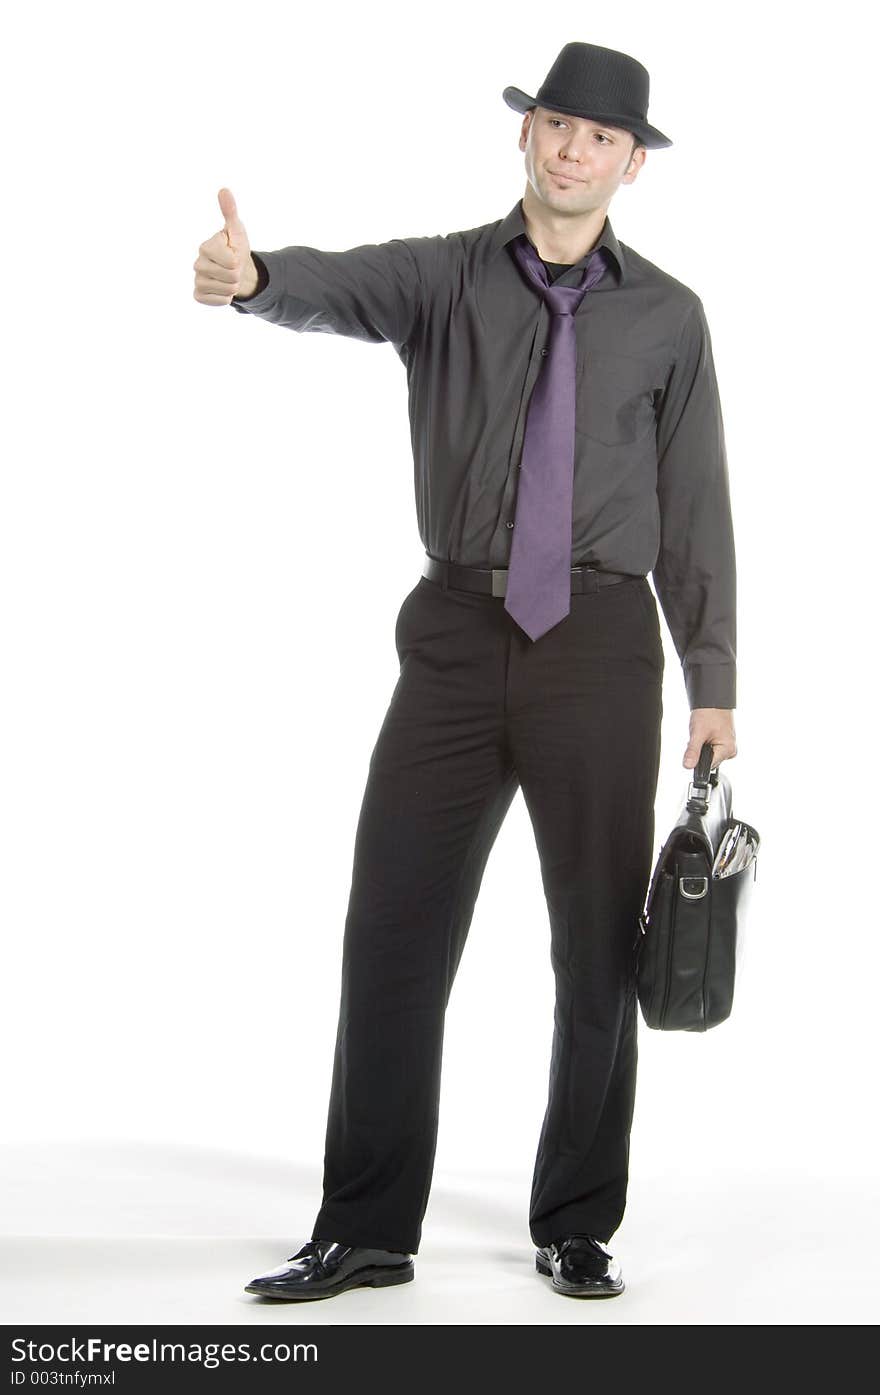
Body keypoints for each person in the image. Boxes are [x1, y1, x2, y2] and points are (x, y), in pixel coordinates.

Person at [192, 41, 738, 1302]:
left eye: (599, 138)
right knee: (391, 929)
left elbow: (695, 506)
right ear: (525, 137)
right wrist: (254, 277)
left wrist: (712, 678)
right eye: (553, 125)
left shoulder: (670, 318)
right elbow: (334, 284)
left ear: (631, 163)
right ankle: (367, 1226)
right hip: (449, 640)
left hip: (600, 649)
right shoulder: (444, 278)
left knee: (597, 948)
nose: (570, 151)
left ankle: (576, 1223)